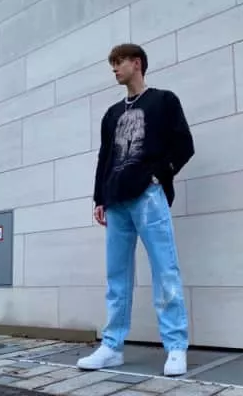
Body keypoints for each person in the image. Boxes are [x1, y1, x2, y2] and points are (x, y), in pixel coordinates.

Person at [76, 43, 195, 376]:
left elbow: (184, 144)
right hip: (116, 201)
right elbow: (105, 157)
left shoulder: (163, 101)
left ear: (137, 63)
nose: (114, 69)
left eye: (119, 62)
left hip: (148, 196)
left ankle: (175, 347)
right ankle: (112, 346)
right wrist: (99, 198)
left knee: (165, 270)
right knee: (117, 277)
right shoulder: (112, 114)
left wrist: (158, 175)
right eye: (112, 64)